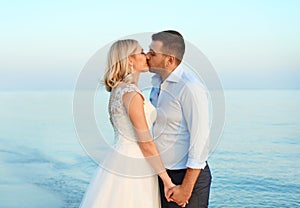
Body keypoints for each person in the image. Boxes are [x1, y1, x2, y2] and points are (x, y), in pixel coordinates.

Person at [80, 39, 175, 208]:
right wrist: (167, 181)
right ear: (130, 59)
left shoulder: (118, 90)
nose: (146, 56)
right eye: (141, 52)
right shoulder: (131, 93)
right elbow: (145, 143)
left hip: (117, 159)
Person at [147, 30, 212, 208]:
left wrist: (186, 188)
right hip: (163, 176)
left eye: (152, 53)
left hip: (186, 178)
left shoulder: (190, 87)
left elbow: (200, 139)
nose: (147, 56)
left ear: (169, 59)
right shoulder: (156, 84)